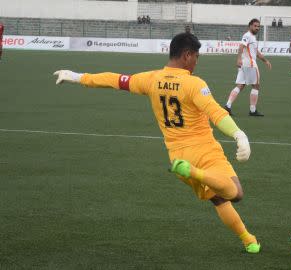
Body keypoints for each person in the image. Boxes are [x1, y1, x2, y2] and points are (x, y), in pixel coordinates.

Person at [52, 33, 261, 254]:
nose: (196, 62)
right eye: (196, 57)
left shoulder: (152, 79)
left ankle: (248, 239)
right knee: (235, 193)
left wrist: (77, 76)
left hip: (177, 157)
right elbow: (216, 112)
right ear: (187, 55)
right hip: (204, 152)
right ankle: (197, 173)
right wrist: (238, 134)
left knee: (218, 199)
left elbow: (115, 80)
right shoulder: (193, 83)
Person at [224, 18, 272, 117]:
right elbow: (241, 46)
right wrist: (238, 59)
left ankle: (227, 106)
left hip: (244, 64)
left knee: (240, 85)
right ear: (250, 26)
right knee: (256, 85)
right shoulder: (247, 35)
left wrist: (265, 60)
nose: (257, 28)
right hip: (250, 64)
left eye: (258, 26)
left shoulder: (252, 38)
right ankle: (252, 110)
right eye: (255, 26)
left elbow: (256, 52)